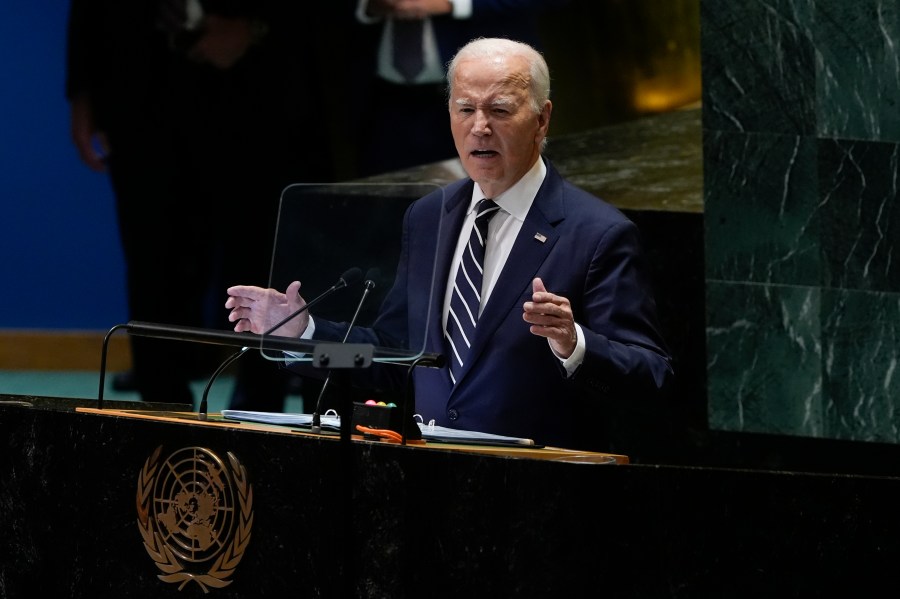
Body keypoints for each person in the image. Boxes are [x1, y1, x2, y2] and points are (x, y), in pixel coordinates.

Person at [225, 37, 674, 451]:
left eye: (499, 110)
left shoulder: (597, 233)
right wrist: (302, 335)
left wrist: (572, 342)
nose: (480, 127)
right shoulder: (427, 218)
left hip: (539, 494)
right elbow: (390, 358)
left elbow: (652, 376)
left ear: (542, 119)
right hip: (432, 484)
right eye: (465, 109)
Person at [66, 0, 335, 409]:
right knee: (152, 264)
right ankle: (160, 409)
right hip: (140, 91)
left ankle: (261, 407)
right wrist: (83, 94)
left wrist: (256, 23)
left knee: (260, 258)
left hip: (257, 90)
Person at [349, 0, 571, 177]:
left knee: (492, 196)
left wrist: (453, 3)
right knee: (385, 200)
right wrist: (369, 4)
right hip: (386, 98)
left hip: (483, 95)